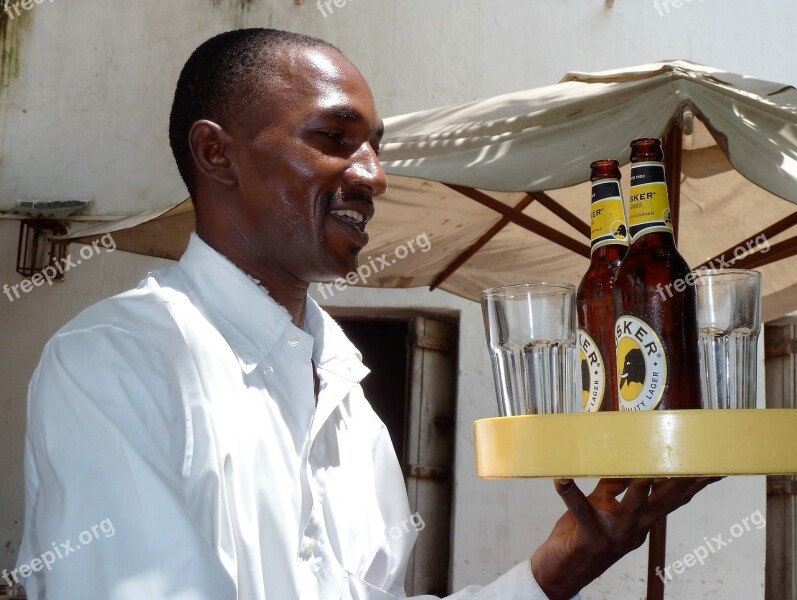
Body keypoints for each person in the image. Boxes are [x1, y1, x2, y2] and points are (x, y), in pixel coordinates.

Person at [15, 28, 715, 599]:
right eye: (334, 139)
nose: (375, 175)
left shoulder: (347, 398)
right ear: (215, 154)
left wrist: (557, 568)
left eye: (375, 145)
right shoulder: (117, 362)